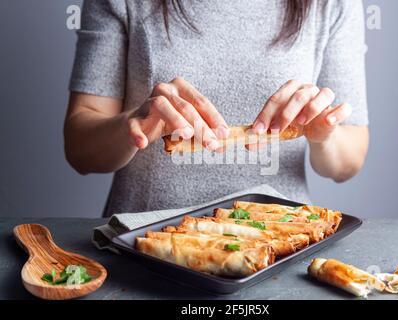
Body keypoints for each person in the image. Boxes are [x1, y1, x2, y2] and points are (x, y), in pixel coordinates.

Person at [64, 0, 369, 217]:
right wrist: (132, 125)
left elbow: (349, 162)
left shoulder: (333, 4)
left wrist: (324, 135)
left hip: (282, 242)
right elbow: (80, 149)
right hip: (143, 244)